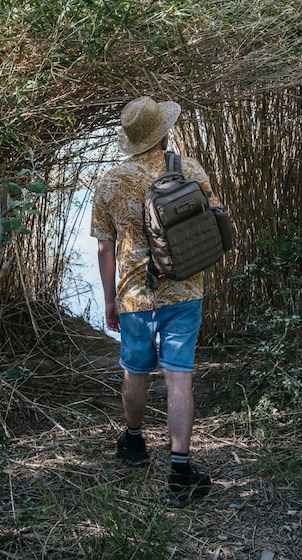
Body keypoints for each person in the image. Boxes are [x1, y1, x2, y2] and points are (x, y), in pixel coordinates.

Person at [90, 96, 217, 508]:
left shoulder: (110, 182)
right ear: (162, 132)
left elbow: (105, 250)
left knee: (136, 370)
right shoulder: (190, 168)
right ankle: (180, 473)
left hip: (134, 294)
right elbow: (214, 220)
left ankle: (133, 444)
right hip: (185, 288)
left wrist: (109, 301)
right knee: (179, 379)